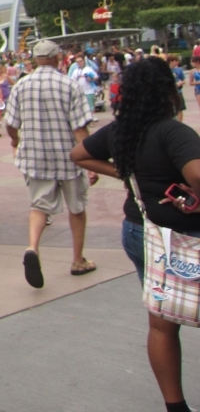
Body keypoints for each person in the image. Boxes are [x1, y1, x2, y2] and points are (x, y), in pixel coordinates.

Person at [70, 57, 200, 412]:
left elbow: (79, 154)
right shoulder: (173, 132)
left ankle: (175, 406)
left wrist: (125, 174)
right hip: (185, 237)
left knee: (162, 325)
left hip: (141, 231)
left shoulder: (121, 130)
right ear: (167, 92)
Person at [3, 40, 95, 289]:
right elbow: (80, 128)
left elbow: (11, 123)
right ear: (58, 58)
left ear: (33, 60)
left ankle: (32, 247)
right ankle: (77, 260)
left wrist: (16, 139)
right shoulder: (70, 85)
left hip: (36, 157)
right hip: (69, 157)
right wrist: (91, 163)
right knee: (76, 207)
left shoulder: (21, 86)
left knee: (39, 206)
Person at [169, 54, 186, 122]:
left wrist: (181, 82)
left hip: (178, 91)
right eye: (175, 61)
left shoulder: (179, 70)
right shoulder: (167, 70)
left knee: (180, 108)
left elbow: (183, 79)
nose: (177, 62)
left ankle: (180, 122)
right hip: (170, 91)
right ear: (171, 61)